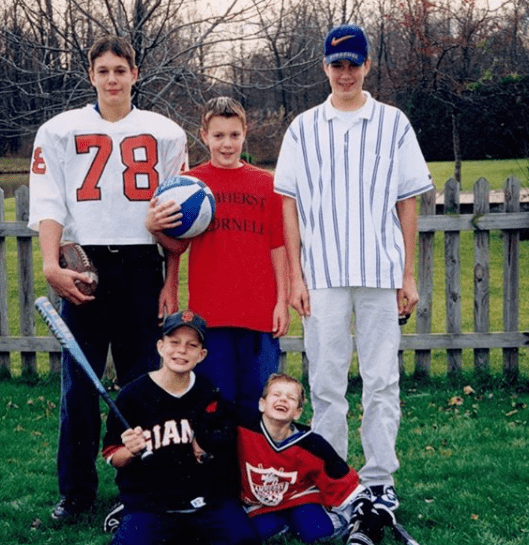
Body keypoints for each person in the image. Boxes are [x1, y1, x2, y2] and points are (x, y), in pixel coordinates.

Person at [274, 24, 435, 511]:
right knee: (326, 381)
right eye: (336, 64)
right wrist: (296, 278)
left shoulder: (393, 123)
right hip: (322, 275)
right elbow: (289, 204)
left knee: (383, 379)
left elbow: (408, 202)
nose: (345, 73)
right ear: (325, 66)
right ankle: (333, 478)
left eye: (353, 64)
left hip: (380, 273)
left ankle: (381, 477)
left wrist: (407, 274)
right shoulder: (303, 127)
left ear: (367, 66)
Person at [28, 35, 187, 520]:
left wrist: (170, 280)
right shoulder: (58, 130)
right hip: (86, 266)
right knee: (79, 387)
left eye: (121, 70)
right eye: (104, 71)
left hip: (142, 266)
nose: (113, 79)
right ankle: (75, 493)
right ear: (91, 75)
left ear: (135, 75)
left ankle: (137, 487)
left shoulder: (165, 132)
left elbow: (176, 215)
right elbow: (50, 203)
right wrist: (51, 264)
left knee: (143, 385)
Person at [145, 97, 289, 413]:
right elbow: (177, 244)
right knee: (217, 403)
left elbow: (278, 247)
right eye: (219, 135)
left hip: (260, 312)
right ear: (204, 135)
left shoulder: (267, 184)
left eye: (234, 135)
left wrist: (281, 301)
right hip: (211, 313)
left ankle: (256, 463)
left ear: (245, 133)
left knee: (259, 401)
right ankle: (219, 463)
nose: (227, 144)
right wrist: (170, 285)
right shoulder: (188, 185)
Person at [102, 310, 259, 545]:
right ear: (160, 346)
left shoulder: (210, 394)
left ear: (202, 354)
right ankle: (128, 515)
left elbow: (223, 452)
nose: (181, 350)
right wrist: (129, 450)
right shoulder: (132, 396)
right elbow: (112, 455)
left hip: (204, 503)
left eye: (191, 345)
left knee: (244, 540)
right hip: (150, 504)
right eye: (174, 342)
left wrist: (208, 450)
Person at [237, 373, 394, 545]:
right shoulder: (243, 430)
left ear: (297, 412)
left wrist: (363, 505)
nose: (282, 400)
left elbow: (340, 478)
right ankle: (283, 524)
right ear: (262, 404)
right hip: (259, 505)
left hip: (300, 498)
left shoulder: (311, 444)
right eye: (276, 395)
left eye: (290, 398)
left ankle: (357, 521)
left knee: (318, 532)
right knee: (261, 534)